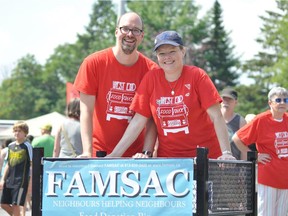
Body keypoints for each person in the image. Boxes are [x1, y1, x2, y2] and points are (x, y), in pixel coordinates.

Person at [108, 30, 234, 159]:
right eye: (162, 53)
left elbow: (217, 116)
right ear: (157, 57)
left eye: (172, 51)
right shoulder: (151, 78)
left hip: (205, 157)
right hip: (169, 161)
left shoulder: (197, 76)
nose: (167, 57)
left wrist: (226, 153)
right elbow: (138, 121)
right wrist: (115, 154)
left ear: (183, 51)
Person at [73, 12, 158, 157]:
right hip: (99, 153)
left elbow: (152, 119)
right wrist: (87, 151)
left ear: (142, 36)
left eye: (136, 30)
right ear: (116, 31)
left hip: (135, 158)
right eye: (125, 28)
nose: (130, 34)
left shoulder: (152, 71)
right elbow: (86, 111)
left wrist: (147, 153)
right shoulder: (93, 63)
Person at [232, 86, 288, 215]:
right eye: (278, 100)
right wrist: (255, 156)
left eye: (286, 100)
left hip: (285, 177)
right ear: (270, 103)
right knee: (266, 213)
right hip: (268, 175)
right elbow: (237, 138)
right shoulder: (261, 120)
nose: (282, 103)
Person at [0, 121, 33, 216]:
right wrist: (3, 179)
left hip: (21, 181)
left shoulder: (28, 146)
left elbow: (32, 163)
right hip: (9, 180)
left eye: (19, 131)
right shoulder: (10, 146)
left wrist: (30, 180)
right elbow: (8, 164)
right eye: (15, 131)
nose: (16, 133)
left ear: (25, 133)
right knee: (3, 204)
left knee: (16, 204)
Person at [220, 88, 247, 159]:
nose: (226, 102)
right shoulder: (212, 118)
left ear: (236, 102)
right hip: (213, 164)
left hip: (234, 165)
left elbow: (244, 149)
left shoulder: (240, 121)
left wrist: (243, 167)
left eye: (229, 99)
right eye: (224, 99)